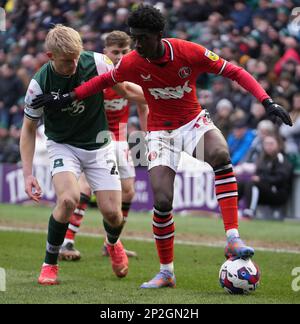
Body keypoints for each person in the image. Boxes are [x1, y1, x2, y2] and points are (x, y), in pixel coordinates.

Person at [31, 5, 293, 289]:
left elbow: (234, 71)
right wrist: (68, 97)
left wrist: (266, 101)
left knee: (220, 153)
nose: (137, 43)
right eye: (134, 37)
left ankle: (232, 237)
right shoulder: (133, 61)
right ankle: (166, 272)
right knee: (163, 200)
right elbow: (103, 81)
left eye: (142, 37)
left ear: (158, 35)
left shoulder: (188, 51)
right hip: (159, 133)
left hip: (193, 122)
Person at [20, 25, 146, 285]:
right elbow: (28, 129)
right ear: (50, 56)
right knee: (68, 199)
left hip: (99, 146)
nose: (74, 64)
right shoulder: (38, 85)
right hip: (63, 145)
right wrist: (28, 174)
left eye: (77, 57)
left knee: (113, 214)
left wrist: (161, 97)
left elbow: (126, 91)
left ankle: (113, 244)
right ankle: (50, 264)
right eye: (67, 61)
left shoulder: (98, 63)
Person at [59, 30, 148, 261]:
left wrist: (148, 137)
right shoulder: (97, 73)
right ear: (105, 52)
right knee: (85, 189)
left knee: (129, 191)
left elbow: (143, 105)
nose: (119, 56)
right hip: (94, 136)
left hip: (119, 136)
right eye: (115, 52)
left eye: (124, 51)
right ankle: (67, 241)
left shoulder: (133, 75)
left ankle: (112, 242)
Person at [238, 135, 293, 219]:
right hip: (263, 190)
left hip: (277, 193)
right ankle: (230, 211)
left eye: (271, 144)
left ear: (278, 145)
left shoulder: (282, 159)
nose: (268, 146)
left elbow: (281, 178)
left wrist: (261, 179)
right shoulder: (262, 159)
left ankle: (249, 213)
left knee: (252, 184)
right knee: (241, 183)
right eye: (266, 144)